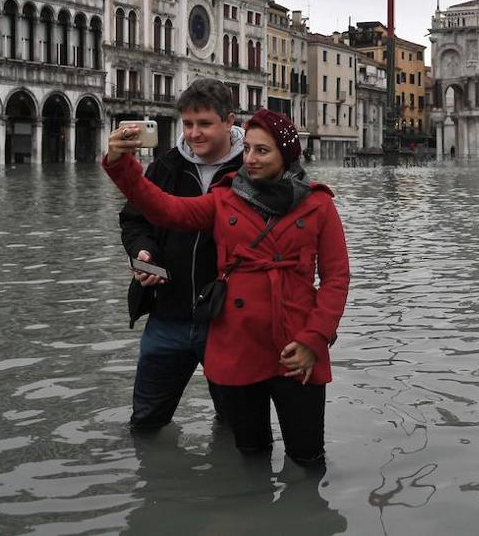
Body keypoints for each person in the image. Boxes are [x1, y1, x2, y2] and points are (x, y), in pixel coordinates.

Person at [104, 109, 349, 466]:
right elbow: (165, 210)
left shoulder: (318, 204)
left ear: (286, 153)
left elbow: (336, 278)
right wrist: (121, 164)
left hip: (296, 345)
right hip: (238, 344)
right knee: (250, 454)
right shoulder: (224, 199)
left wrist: (315, 340)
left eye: (262, 151)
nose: (249, 158)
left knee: (308, 457)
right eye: (247, 148)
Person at [120, 78, 245, 431]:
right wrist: (143, 253)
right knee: (145, 423)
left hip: (228, 322)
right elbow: (134, 220)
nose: (193, 133)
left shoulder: (251, 171)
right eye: (188, 124)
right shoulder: (165, 166)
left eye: (204, 124)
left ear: (229, 121)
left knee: (237, 426)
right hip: (166, 314)